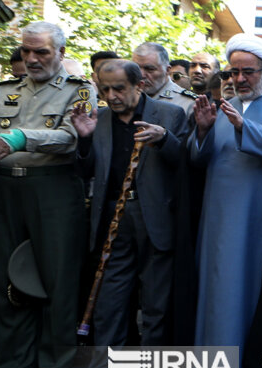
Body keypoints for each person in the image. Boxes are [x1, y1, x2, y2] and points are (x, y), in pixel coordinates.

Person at [0, 22, 96, 368]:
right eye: (27, 51)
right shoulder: (6, 90)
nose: (32, 59)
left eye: (41, 52)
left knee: (58, 280)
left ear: (61, 53)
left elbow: (69, 137)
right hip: (6, 189)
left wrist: (19, 138)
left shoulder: (80, 90)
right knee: (7, 281)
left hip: (54, 188)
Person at [190, 34, 262, 368]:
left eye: (247, 72)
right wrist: (202, 131)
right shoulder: (219, 108)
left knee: (248, 288)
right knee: (215, 287)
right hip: (216, 217)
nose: (239, 79)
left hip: (256, 218)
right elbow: (196, 158)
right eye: (233, 72)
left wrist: (244, 127)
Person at [72, 59, 186, 347]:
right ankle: (108, 367)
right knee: (109, 301)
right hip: (112, 218)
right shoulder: (98, 118)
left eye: (119, 89)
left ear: (140, 85)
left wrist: (164, 139)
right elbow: (85, 171)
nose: (111, 96)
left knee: (156, 304)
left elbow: (187, 164)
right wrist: (84, 141)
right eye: (105, 89)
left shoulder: (170, 114)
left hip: (155, 219)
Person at [133, 42, 197, 116]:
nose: (141, 75)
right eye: (136, 68)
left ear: (167, 70)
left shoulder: (188, 103)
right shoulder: (127, 96)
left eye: (150, 69)